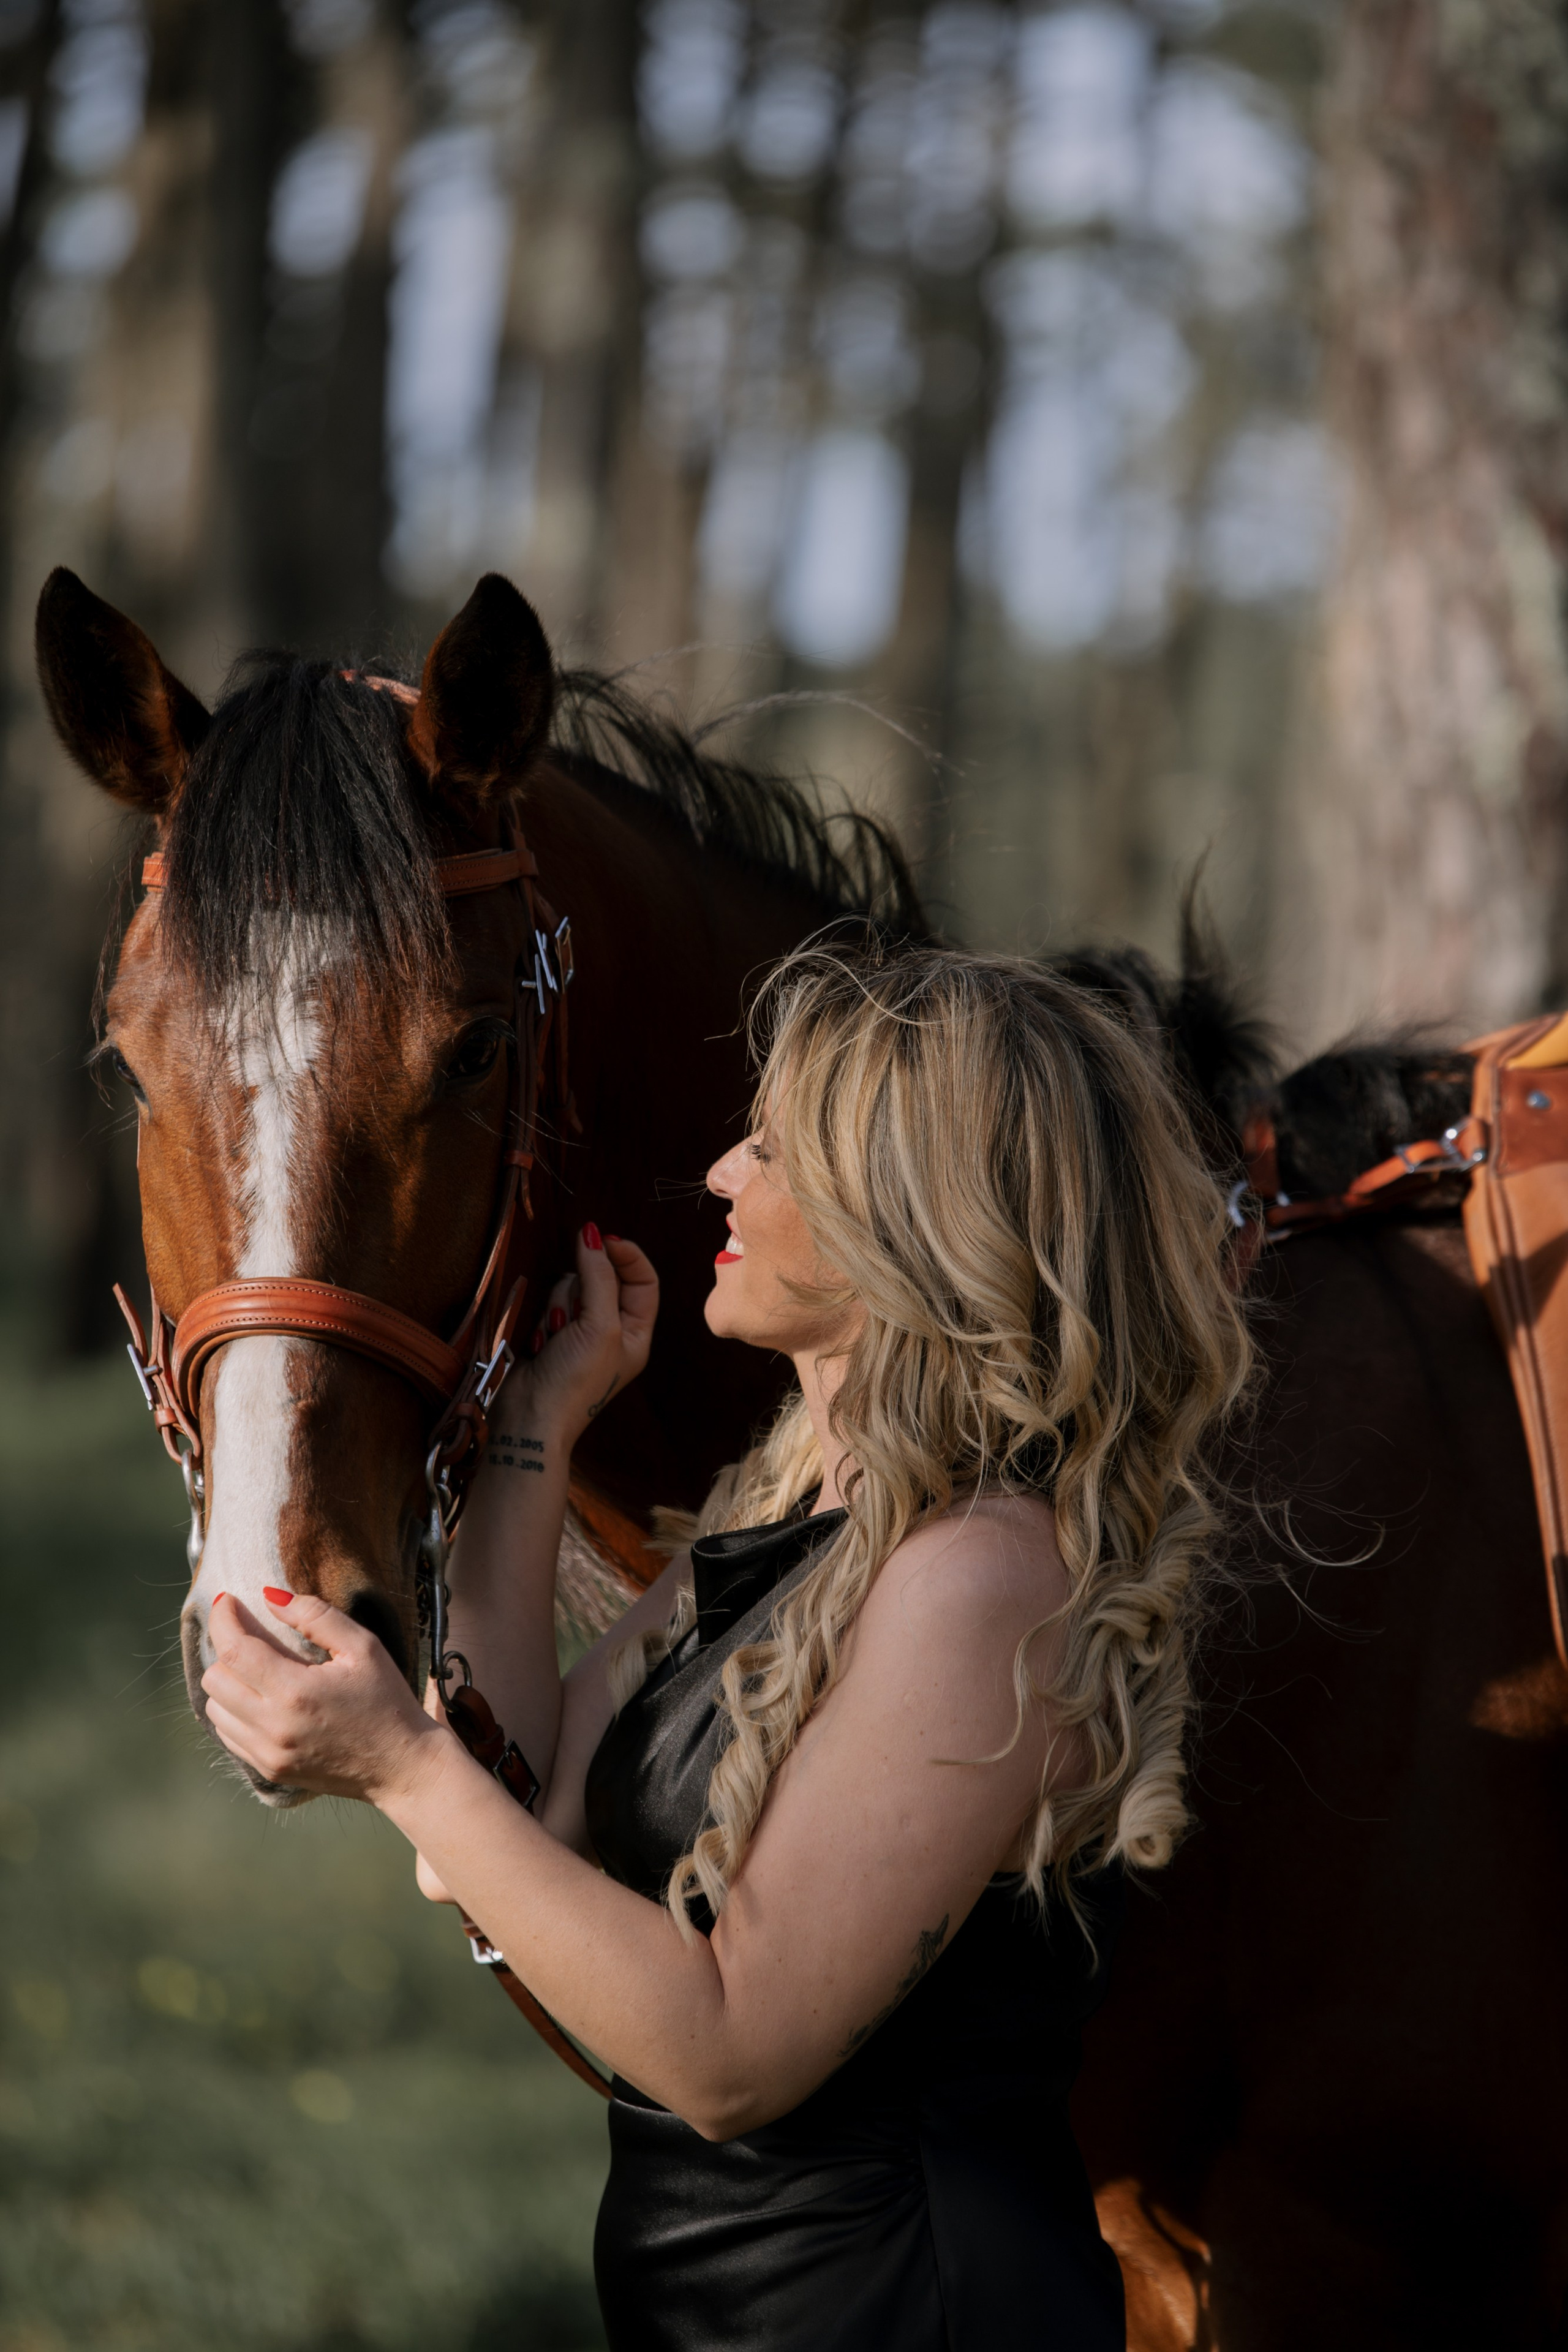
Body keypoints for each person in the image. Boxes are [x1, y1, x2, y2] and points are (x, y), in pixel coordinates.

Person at [202, 939, 1252, 2351]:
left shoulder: (981, 1577)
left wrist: (396, 1763)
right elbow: (507, 1828)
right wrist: (536, 1439)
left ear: (909, 1206)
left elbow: (730, 2054)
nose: (720, 1178)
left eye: (775, 1146)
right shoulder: (804, 1518)